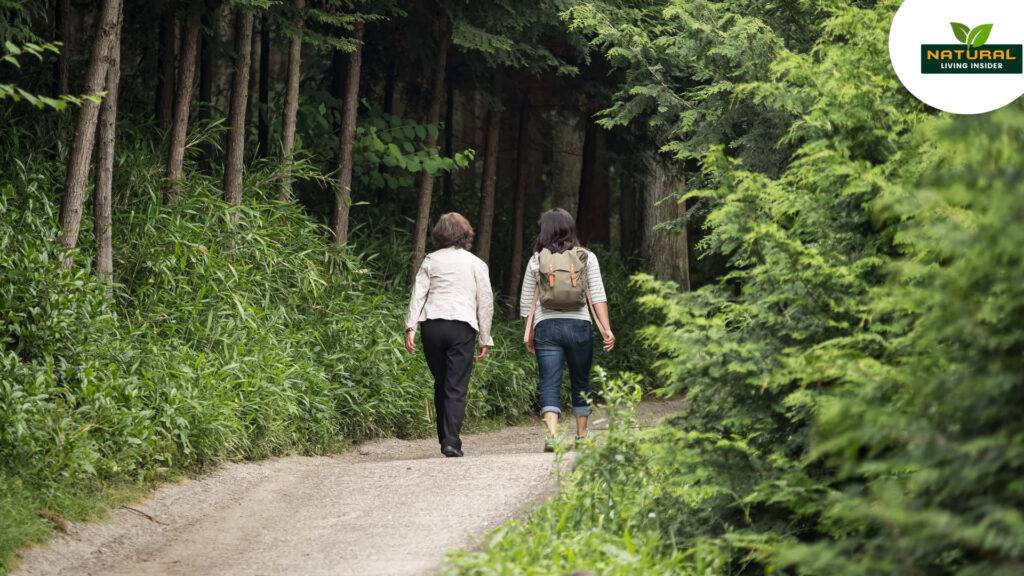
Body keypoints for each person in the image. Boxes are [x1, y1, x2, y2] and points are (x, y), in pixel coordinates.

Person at [520, 208, 615, 452]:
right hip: (580, 325)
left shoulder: (536, 259)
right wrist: (606, 328)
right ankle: (582, 435)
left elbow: (526, 301)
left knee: (549, 382)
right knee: (580, 380)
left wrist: (529, 332)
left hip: (546, 326)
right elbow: (598, 296)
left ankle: (552, 436)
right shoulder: (586, 257)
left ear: (545, 230)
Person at [405, 213, 493, 458]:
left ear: (439, 233)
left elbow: (418, 294)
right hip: (461, 327)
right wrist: (485, 337)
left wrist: (411, 326)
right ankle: (451, 441)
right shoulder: (476, 263)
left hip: (432, 326)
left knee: (441, 382)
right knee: (455, 386)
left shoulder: (431, 260)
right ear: (466, 234)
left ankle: (445, 437)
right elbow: (485, 303)